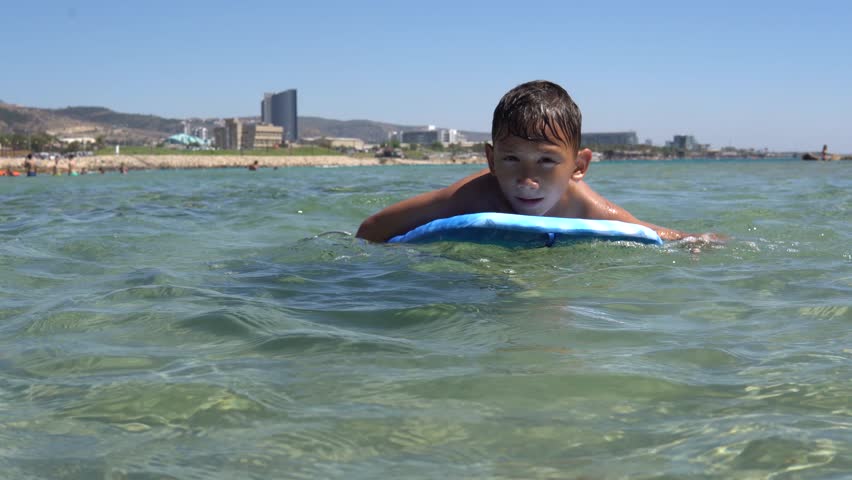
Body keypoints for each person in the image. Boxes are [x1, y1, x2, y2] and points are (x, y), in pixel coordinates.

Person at [357, 80, 719, 243]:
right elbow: (373, 226)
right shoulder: (470, 198)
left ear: (579, 167)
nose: (527, 179)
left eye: (546, 161)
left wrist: (692, 240)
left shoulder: (580, 203)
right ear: (491, 159)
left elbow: (643, 231)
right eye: (511, 159)